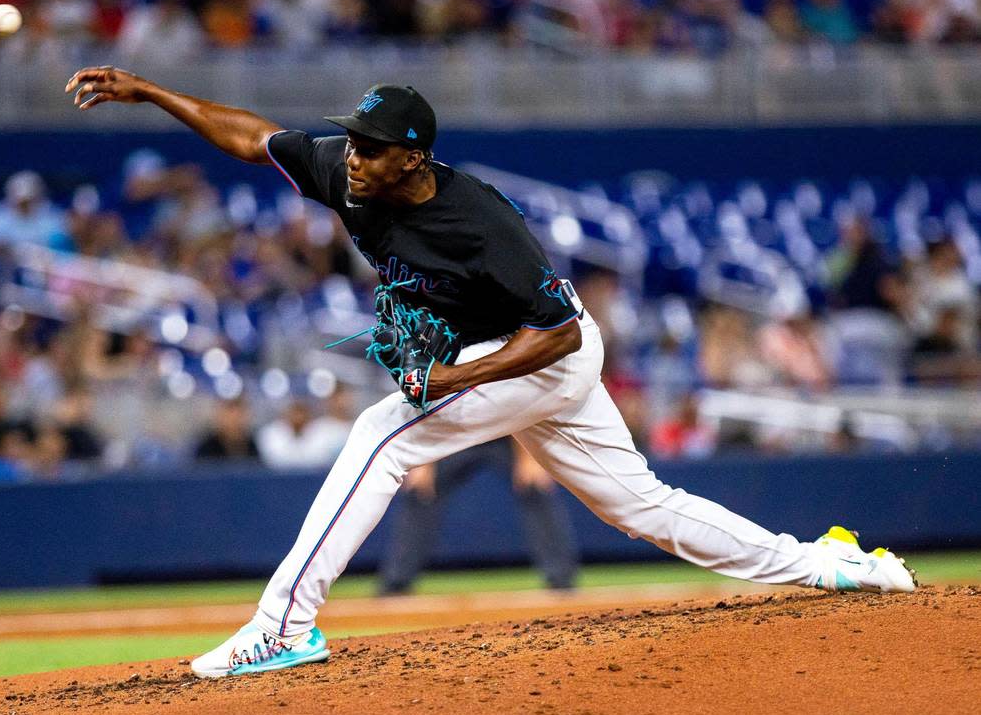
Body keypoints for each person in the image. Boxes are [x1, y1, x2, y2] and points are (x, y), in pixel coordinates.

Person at [65, 68, 917, 678]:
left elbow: (555, 335)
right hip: (511, 358)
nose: (351, 156)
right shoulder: (350, 176)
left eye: (369, 147)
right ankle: (834, 566)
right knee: (646, 510)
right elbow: (253, 138)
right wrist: (152, 92)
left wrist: (454, 382)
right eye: (351, 141)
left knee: (381, 435)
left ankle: (282, 626)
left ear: (414, 157)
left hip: (543, 350)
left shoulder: (479, 224)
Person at [379, 438, 578, 595]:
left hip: (507, 433)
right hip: (456, 435)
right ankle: (397, 584)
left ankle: (561, 581)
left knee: (535, 487)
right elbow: (425, 404)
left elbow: (521, 403)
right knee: (418, 492)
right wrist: (423, 463)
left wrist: (530, 458)